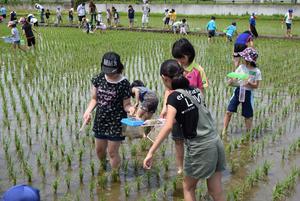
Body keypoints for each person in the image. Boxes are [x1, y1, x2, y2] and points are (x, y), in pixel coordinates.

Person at [143, 59, 226, 201]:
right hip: (216, 143)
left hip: (200, 147)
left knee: (188, 187)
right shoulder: (195, 91)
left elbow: (169, 126)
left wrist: (151, 152)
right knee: (215, 190)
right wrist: (162, 119)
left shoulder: (173, 97)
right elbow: (190, 114)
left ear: (165, 78)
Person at [160, 38, 209, 174]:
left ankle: (195, 165)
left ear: (188, 55)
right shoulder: (175, 68)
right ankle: (181, 168)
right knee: (178, 140)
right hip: (175, 110)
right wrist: (165, 107)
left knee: (193, 140)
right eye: (176, 58)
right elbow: (168, 90)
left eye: (181, 57)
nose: (179, 61)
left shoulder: (198, 70)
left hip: (191, 112)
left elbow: (201, 91)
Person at [83, 52, 134, 171]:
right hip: (100, 119)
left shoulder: (124, 83)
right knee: (99, 150)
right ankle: (103, 168)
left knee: (112, 152)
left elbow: (126, 104)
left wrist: (131, 109)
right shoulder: (98, 78)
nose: (109, 74)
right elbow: (94, 99)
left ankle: (115, 177)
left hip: (116, 122)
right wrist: (87, 112)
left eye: (112, 71)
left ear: (118, 68)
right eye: (106, 71)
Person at [222, 47, 262, 136]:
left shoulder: (256, 71)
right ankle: (224, 131)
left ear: (249, 60)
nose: (243, 59)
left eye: (244, 57)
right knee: (229, 111)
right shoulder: (241, 67)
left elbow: (256, 86)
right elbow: (234, 78)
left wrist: (249, 83)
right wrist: (231, 81)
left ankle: (248, 134)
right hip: (238, 91)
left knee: (248, 116)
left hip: (248, 93)